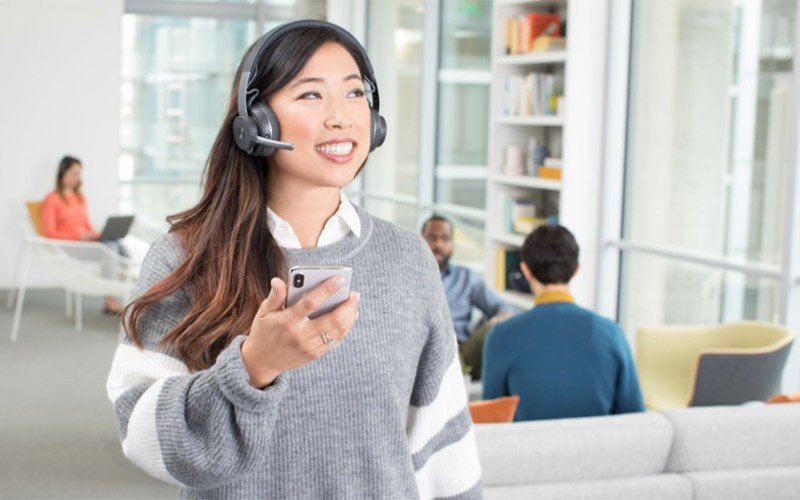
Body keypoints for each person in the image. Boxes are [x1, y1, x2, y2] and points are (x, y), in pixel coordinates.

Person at [105, 20, 481, 499]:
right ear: (257, 122)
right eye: (310, 95)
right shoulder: (187, 256)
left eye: (353, 93)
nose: (342, 116)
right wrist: (252, 367)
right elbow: (140, 433)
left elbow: (443, 448)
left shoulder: (407, 258)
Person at [482, 224, 644, 421]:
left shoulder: (501, 336)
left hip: (527, 450)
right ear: (576, 270)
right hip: (598, 450)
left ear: (526, 270)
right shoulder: (611, 333)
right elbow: (635, 419)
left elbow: (491, 420)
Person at [421, 214, 515, 379]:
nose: (438, 244)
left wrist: (494, 321)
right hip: (420, 349)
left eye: (445, 239)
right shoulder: (409, 275)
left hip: (461, 352)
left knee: (494, 329)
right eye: (432, 238)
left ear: (453, 243)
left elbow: (505, 309)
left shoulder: (466, 278)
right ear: (421, 240)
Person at [40, 155, 124, 314]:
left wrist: (97, 234)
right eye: (74, 173)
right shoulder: (51, 200)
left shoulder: (80, 197)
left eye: (79, 173)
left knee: (114, 242)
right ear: (62, 173)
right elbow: (50, 233)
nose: (77, 178)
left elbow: (86, 225)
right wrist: (78, 237)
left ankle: (123, 272)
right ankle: (110, 300)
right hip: (69, 246)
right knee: (109, 251)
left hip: (86, 242)